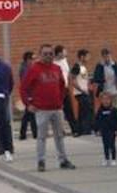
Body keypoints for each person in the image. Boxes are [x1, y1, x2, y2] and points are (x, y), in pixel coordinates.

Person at [21, 43, 76, 171]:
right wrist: (28, 104)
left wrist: (60, 100)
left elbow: (63, 86)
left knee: (59, 136)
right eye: (45, 54)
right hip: (41, 109)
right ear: (40, 55)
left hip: (56, 108)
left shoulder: (57, 68)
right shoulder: (34, 69)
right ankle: (41, 161)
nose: (48, 56)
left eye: (50, 54)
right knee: (41, 137)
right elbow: (24, 88)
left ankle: (63, 160)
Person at [54, 45, 78, 136]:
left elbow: (67, 74)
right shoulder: (54, 63)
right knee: (59, 110)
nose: (66, 53)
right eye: (64, 51)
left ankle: (74, 129)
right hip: (57, 89)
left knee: (69, 109)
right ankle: (61, 129)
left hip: (66, 88)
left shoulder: (64, 61)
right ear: (59, 53)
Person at [93, 92, 117, 166]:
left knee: (112, 144)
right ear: (101, 100)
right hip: (104, 131)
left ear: (110, 100)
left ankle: (114, 159)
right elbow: (97, 120)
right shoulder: (100, 110)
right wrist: (97, 130)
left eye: (107, 99)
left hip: (112, 130)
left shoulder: (114, 109)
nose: (106, 101)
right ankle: (106, 158)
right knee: (105, 145)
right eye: (104, 99)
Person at [70, 49, 94, 135]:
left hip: (85, 92)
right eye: (87, 56)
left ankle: (80, 130)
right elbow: (73, 80)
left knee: (83, 111)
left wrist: (88, 87)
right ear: (82, 57)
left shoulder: (83, 67)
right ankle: (85, 130)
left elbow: (83, 79)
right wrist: (81, 89)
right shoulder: (77, 66)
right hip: (80, 93)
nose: (89, 58)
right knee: (86, 111)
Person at [17, 51, 37, 141]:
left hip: (30, 94)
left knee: (27, 115)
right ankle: (35, 133)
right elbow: (26, 83)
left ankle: (23, 134)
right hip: (29, 94)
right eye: (33, 59)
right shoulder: (25, 69)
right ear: (28, 60)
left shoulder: (28, 68)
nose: (34, 61)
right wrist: (29, 96)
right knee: (31, 114)